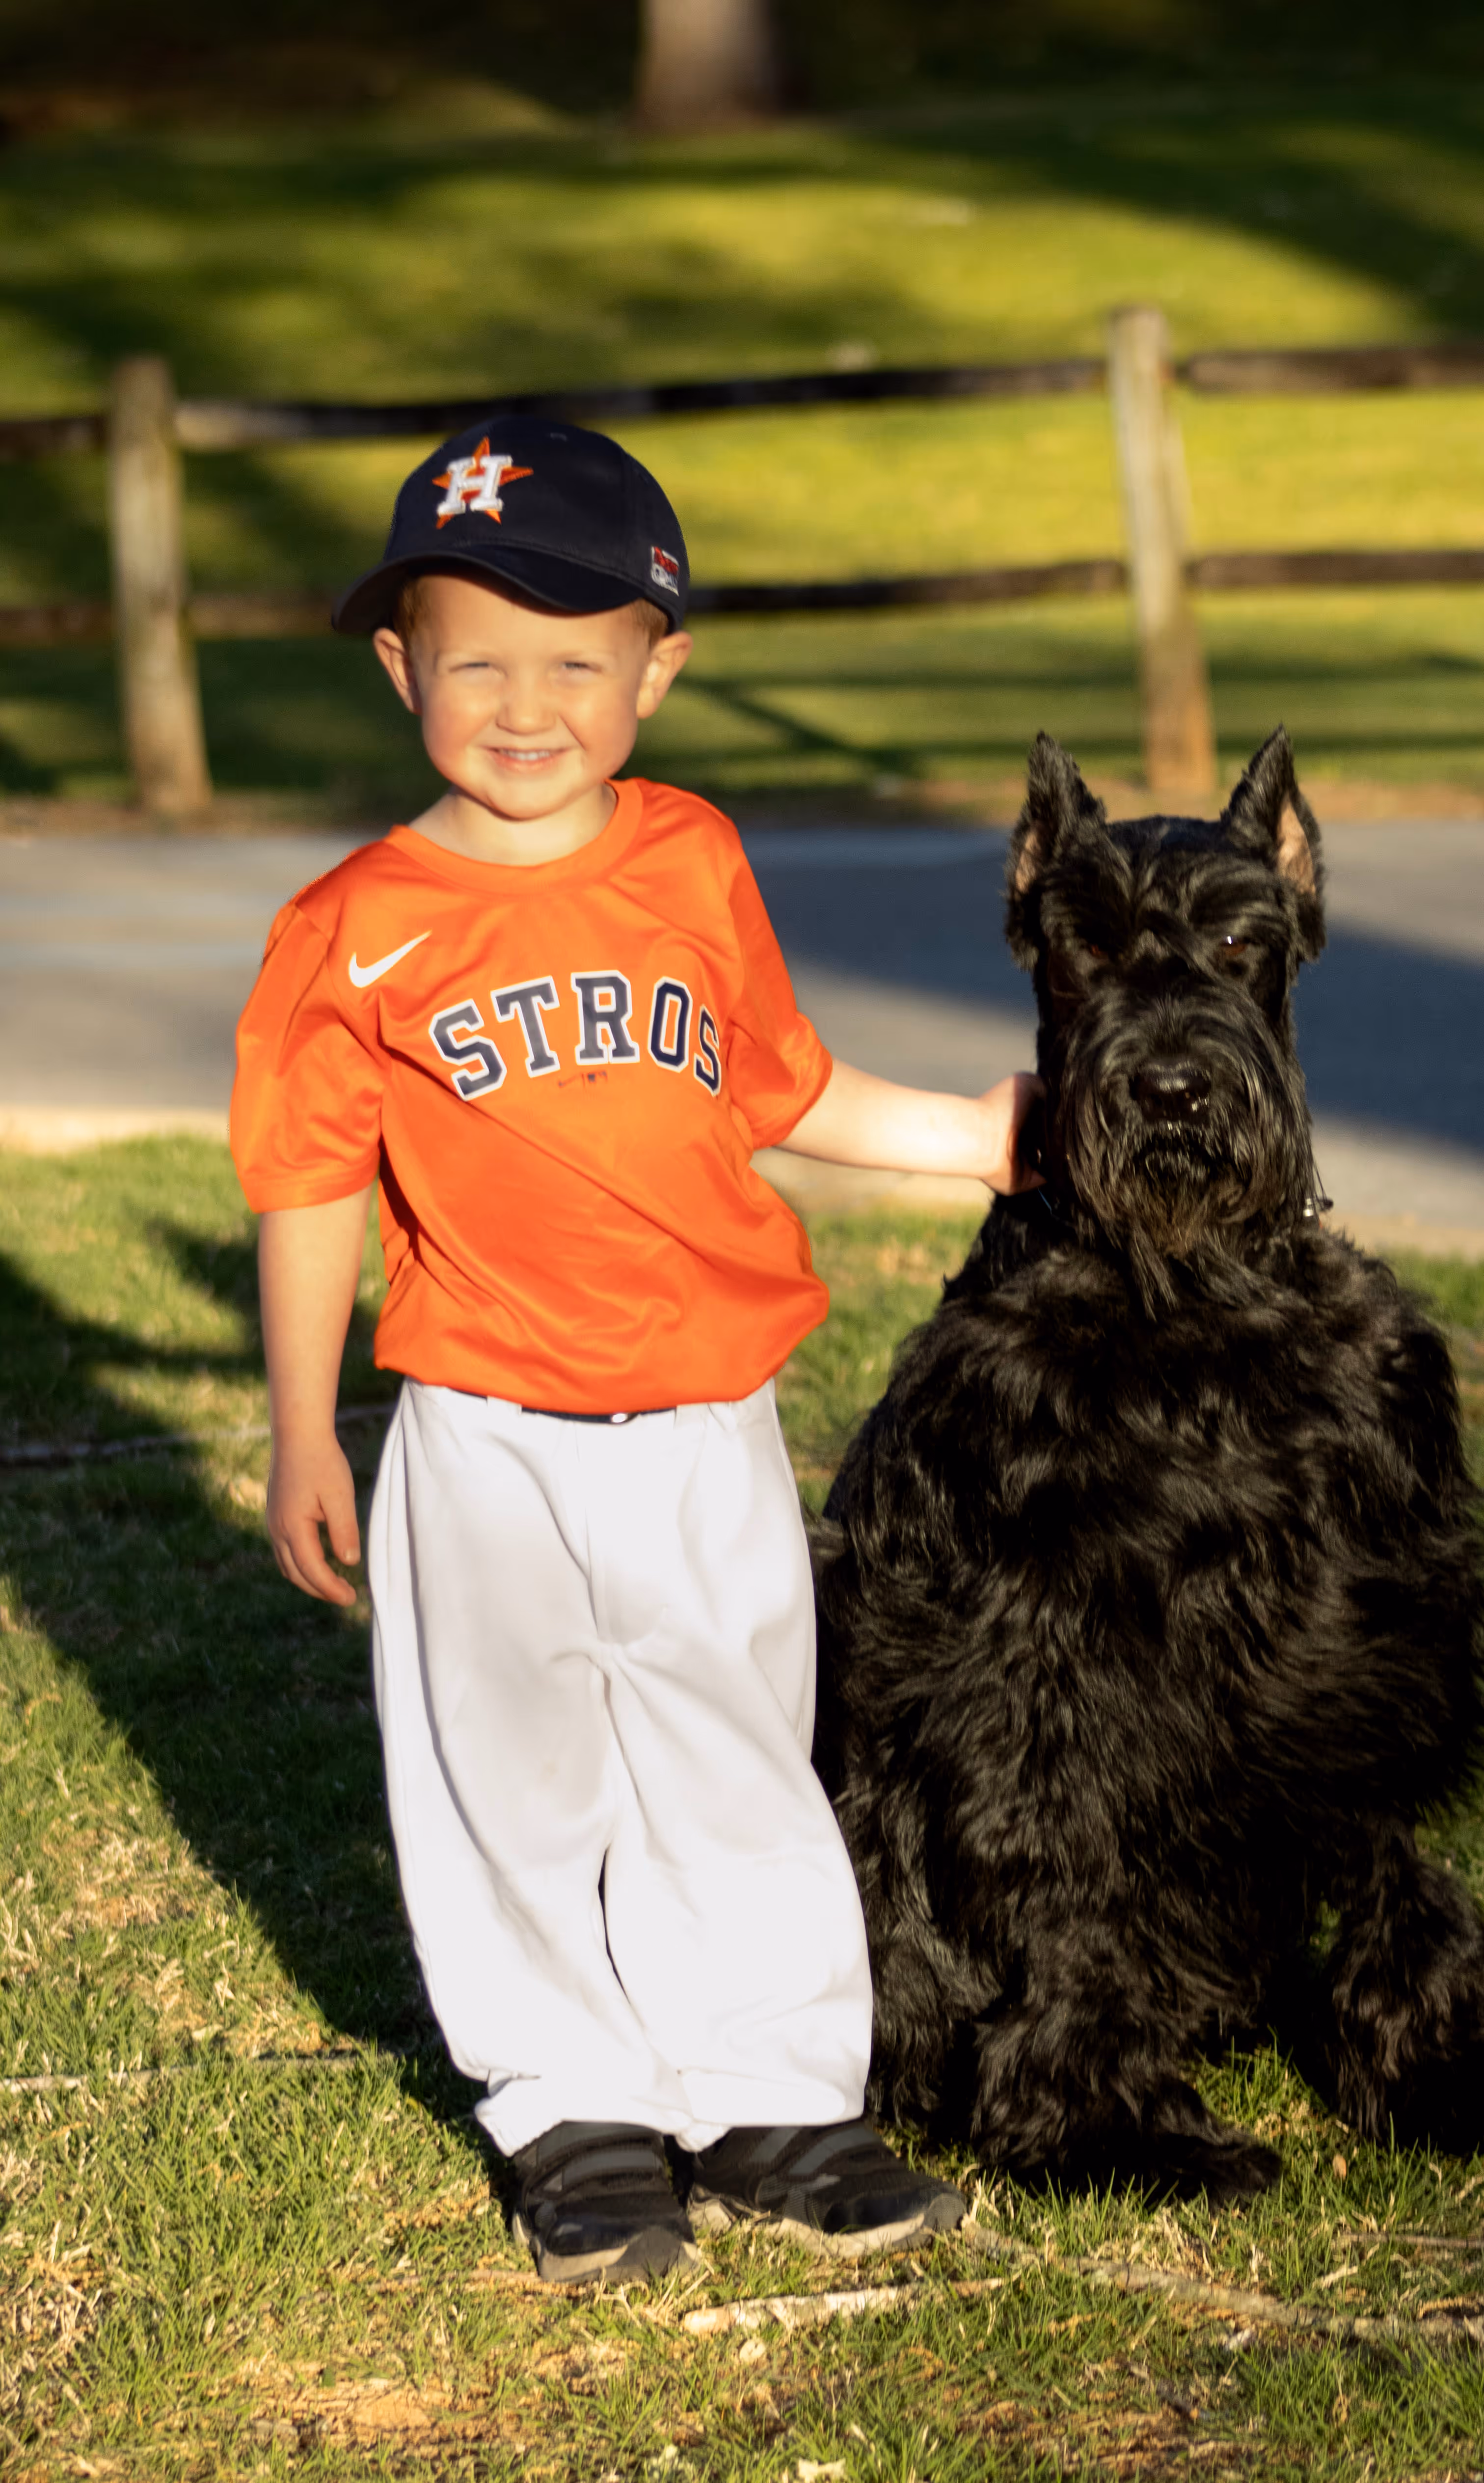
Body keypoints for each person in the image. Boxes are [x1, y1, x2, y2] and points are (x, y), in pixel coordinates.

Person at [229, 419, 1040, 2287]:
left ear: (657, 667)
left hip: (704, 1415)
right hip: (483, 1429)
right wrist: (302, 1428)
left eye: (578, 658)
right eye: (478, 657)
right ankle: (572, 2111)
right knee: (510, 1770)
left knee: (731, 1752)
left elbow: (782, 1084)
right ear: (398, 667)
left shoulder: (691, 855)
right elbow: (304, 1190)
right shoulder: (347, 934)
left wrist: (984, 1131)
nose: (528, 704)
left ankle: (770, 2098)